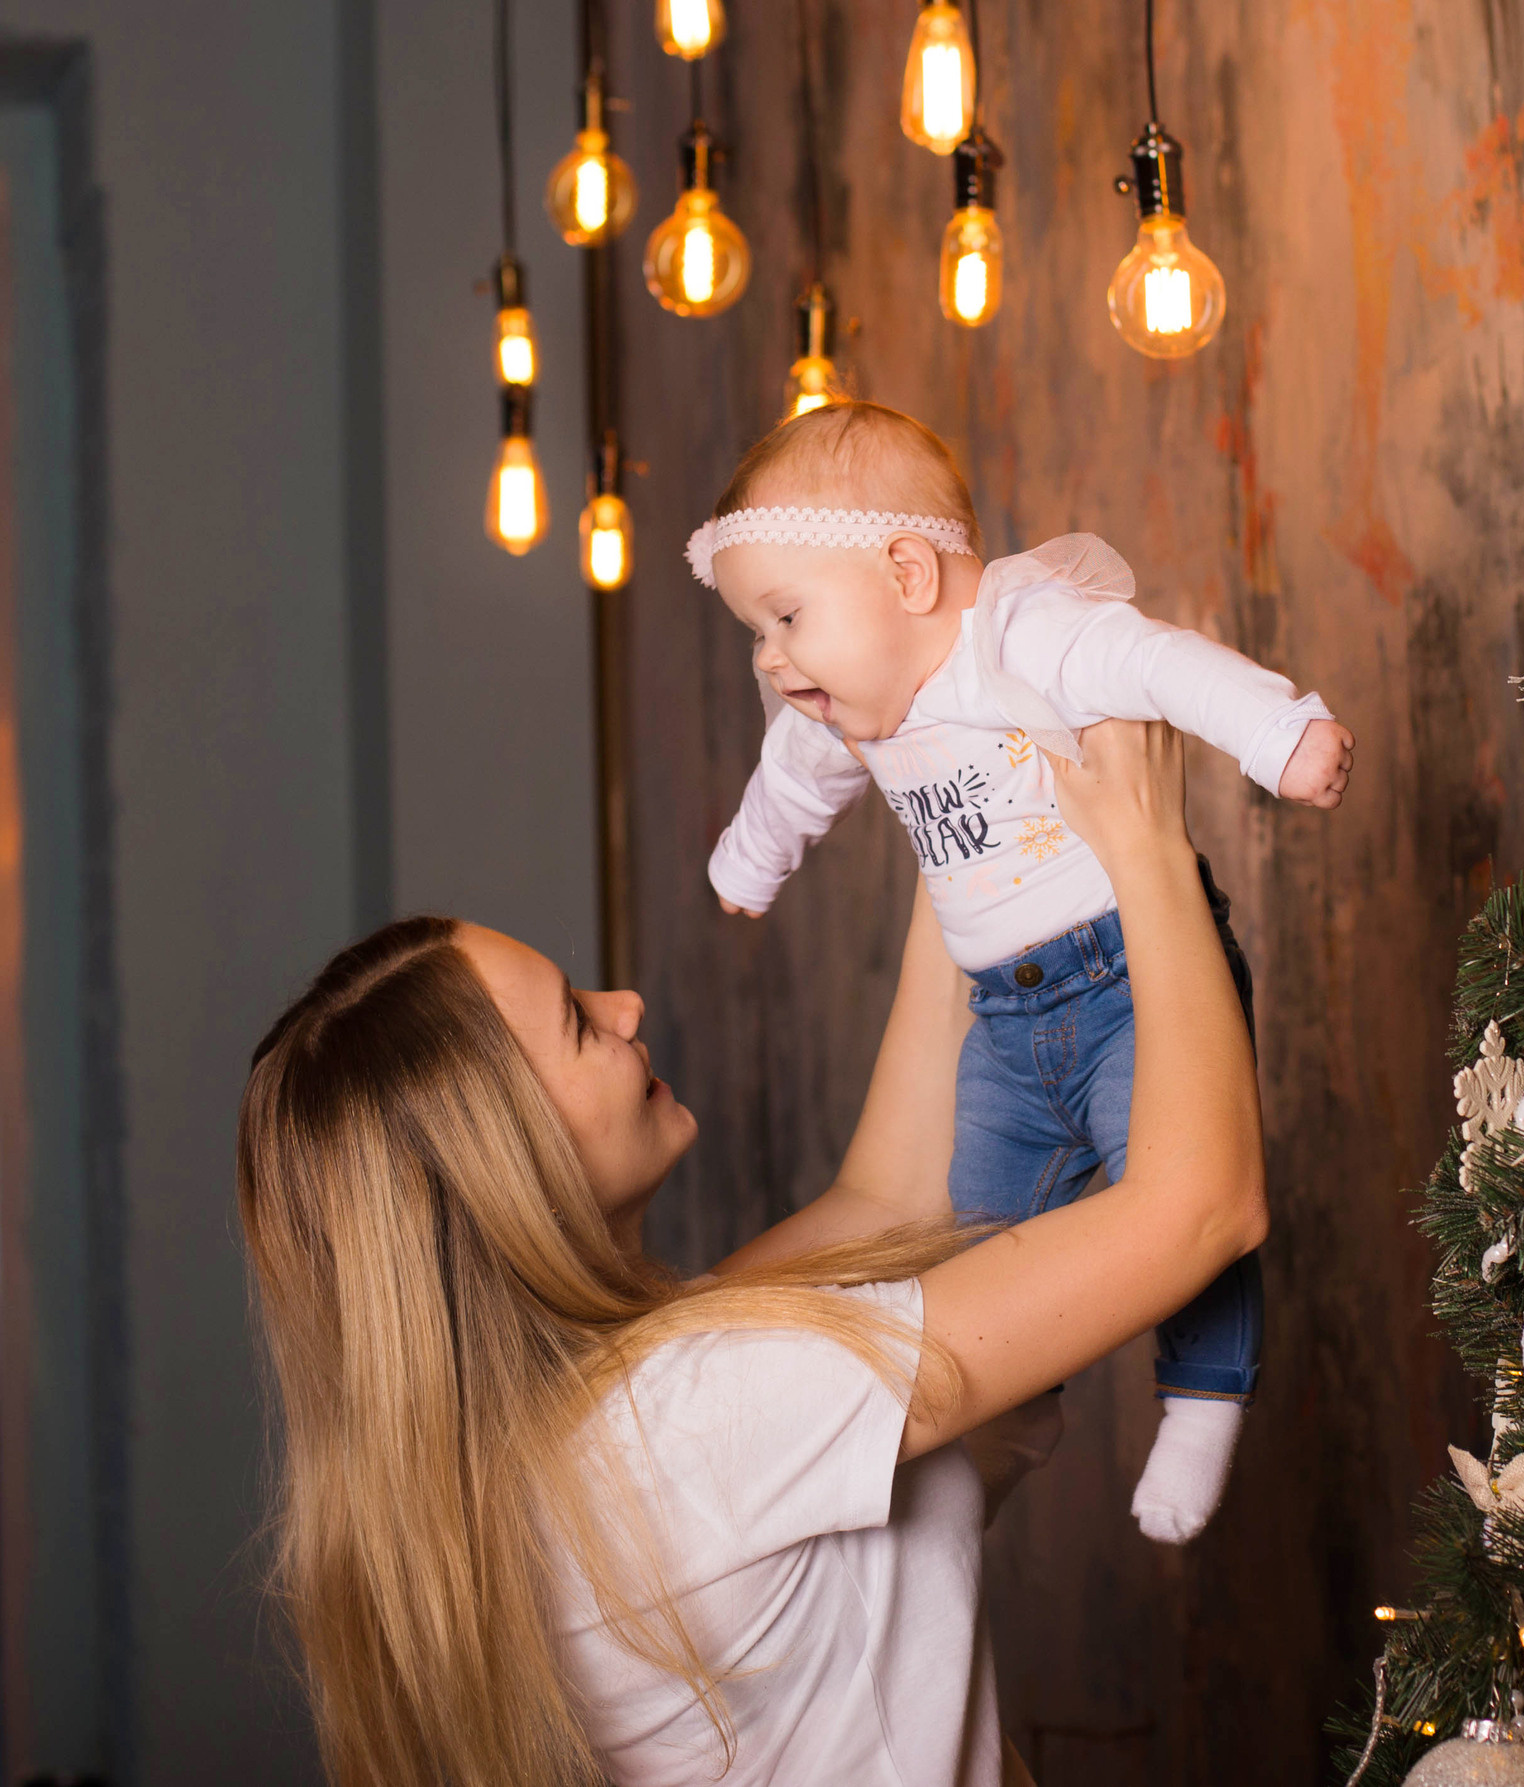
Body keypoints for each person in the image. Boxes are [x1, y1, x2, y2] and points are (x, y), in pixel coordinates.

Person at [236, 721, 1265, 1787]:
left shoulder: (598, 1421)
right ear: (506, 1164)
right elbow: (1198, 1210)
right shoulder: (693, 1420)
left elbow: (894, 1193)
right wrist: (1147, 845)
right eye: (578, 1025)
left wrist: (934, 752)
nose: (624, 1005)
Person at [695, 399, 1352, 1541]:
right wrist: (745, 865)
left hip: (1126, 976)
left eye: (787, 615)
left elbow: (1161, 666)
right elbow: (789, 784)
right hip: (999, 1016)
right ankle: (1012, 1392)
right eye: (757, 627)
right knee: (980, 1225)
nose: (770, 655)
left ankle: (1202, 1397)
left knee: (1175, 1192)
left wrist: (1278, 734)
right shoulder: (843, 714)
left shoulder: (1022, 631)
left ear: (907, 572)